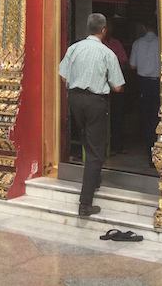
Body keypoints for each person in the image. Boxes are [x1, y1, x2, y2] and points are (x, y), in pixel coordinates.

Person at [59, 13, 125, 217]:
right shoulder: (107, 53)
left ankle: (94, 179)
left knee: (88, 140)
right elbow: (118, 86)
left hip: (75, 99)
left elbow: (63, 75)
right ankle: (85, 203)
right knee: (96, 152)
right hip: (95, 101)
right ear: (104, 30)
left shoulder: (74, 48)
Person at [129, 15, 160, 155]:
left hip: (143, 83)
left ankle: (149, 147)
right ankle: (158, 145)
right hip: (158, 83)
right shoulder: (161, 43)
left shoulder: (137, 43)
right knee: (158, 115)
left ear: (144, 28)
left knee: (146, 116)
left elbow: (132, 66)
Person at [104, 19, 128, 154]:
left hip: (116, 86)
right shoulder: (99, 44)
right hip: (102, 88)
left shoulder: (116, 43)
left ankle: (117, 145)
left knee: (117, 117)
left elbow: (124, 62)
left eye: (109, 27)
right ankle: (105, 146)